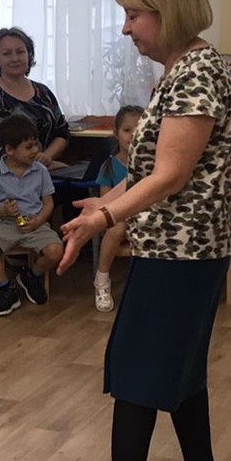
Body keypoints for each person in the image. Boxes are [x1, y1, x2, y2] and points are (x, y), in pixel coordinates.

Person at [55, 0, 231, 461]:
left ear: (168, 11)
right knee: (178, 370)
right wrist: (102, 203)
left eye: (135, 14)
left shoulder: (196, 75)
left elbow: (171, 176)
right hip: (178, 249)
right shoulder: (182, 70)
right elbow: (145, 173)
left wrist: (107, 217)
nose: (126, 27)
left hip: (183, 253)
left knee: (135, 373)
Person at [0, 112, 64, 315]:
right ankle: (6, 289)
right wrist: (3, 211)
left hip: (35, 223)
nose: (35, 150)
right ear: (9, 150)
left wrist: (38, 221)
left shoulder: (41, 171)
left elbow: (48, 203)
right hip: (4, 224)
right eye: (28, 147)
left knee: (56, 250)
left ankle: (31, 276)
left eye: (36, 145)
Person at [0, 27, 72, 170]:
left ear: (29, 55)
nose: (15, 58)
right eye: (7, 54)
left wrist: (46, 157)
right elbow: (1, 148)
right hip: (3, 176)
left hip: (44, 170)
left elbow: (62, 132)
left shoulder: (43, 93)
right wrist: (39, 164)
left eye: (20, 52)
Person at [93, 106, 145, 312]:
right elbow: (105, 203)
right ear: (116, 133)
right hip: (118, 219)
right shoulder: (108, 166)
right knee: (117, 228)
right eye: (127, 130)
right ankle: (102, 280)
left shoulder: (151, 165)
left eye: (138, 130)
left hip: (145, 218)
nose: (133, 135)